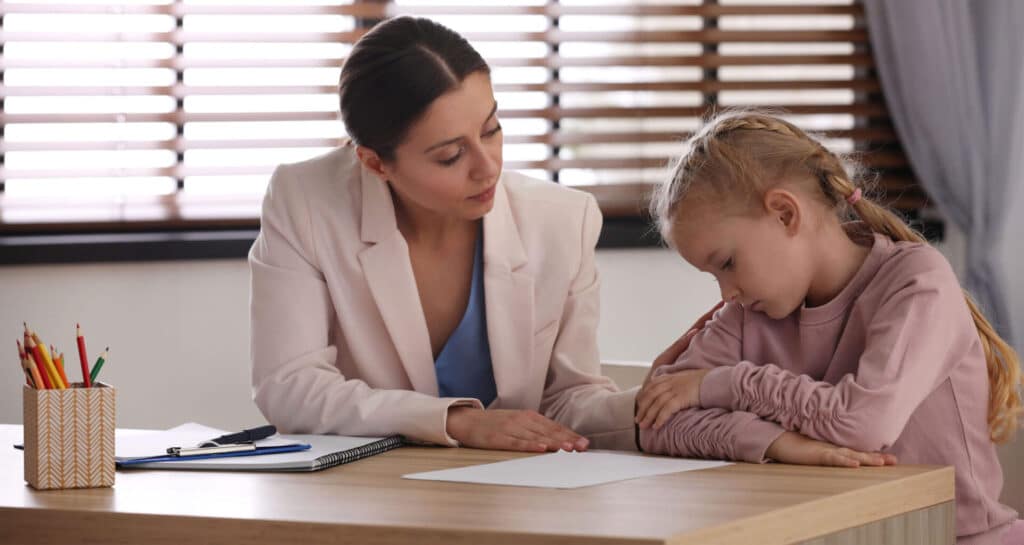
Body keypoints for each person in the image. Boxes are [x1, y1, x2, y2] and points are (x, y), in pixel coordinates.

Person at [249, 16, 641, 452]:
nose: (488, 166)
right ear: (376, 164)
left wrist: (663, 403)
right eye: (451, 155)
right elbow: (289, 387)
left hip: (522, 493)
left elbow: (569, 400)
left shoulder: (564, 220)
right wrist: (457, 423)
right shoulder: (305, 201)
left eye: (491, 130)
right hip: (368, 492)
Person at [636, 111, 1022, 544]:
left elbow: (863, 424)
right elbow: (656, 422)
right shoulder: (750, 311)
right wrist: (775, 442)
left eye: (728, 263)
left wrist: (725, 385)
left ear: (784, 214)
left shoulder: (916, 282)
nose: (726, 294)